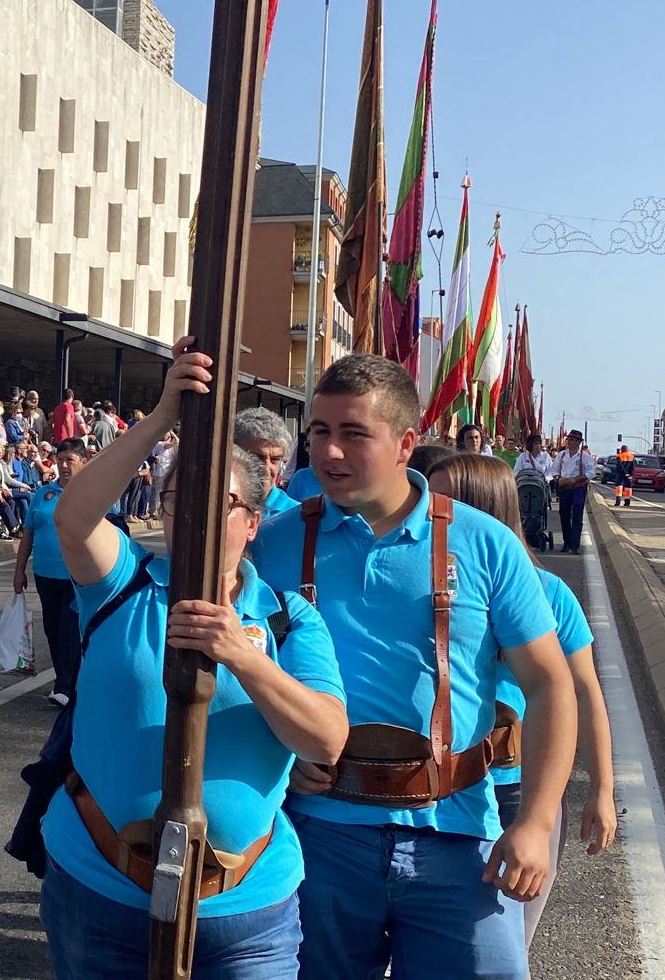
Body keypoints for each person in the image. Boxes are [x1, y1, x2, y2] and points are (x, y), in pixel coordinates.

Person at [254, 354, 574, 980]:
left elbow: (550, 683)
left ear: (405, 444)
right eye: (319, 432)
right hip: (316, 836)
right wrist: (282, 761)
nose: (331, 452)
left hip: (457, 832)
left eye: (353, 434)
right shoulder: (275, 542)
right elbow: (241, 676)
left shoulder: (483, 543)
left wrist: (535, 821)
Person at [38, 340, 345, 978]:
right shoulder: (120, 582)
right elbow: (73, 518)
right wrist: (160, 418)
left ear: (254, 522)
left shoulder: (288, 618)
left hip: (245, 911)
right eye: (179, 501)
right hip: (101, 887)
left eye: (221, 504)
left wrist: (242, 654)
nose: (195, 517)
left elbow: (325, 739)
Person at [427, 452, 617, 946]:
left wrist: (600, 790)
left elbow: (584, 693)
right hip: (435, 783)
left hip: (518, 788)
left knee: (504, 945)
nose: (423, 508)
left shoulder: (548, 593)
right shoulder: (417, 584)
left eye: (439, 498)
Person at [14, 439, 89, 707]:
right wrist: (19, 570)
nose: (64, 466)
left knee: (70, 631)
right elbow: (29, 533)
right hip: (45, 575)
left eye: (70, 460)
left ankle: (64, 687)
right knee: (53, 630)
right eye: (60, 460)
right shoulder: (43, 494)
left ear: (83, 461)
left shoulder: (93, 492)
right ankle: (67, 680)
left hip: (78, 576)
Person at [235, 407, 300, 518]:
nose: (266, 468)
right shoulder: (214, 504)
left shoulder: (297, 516)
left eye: (275, 459)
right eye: (257, 458)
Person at [552, 430, 594, 553]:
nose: (568, 442)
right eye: (568, 440)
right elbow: (554, 470)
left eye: (571, 440)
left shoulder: (585, 457)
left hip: (578, 489)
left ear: (578, 442)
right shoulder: (562, 455)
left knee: (577, 516)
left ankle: (575, 545)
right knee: (564, 515)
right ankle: (566, 543)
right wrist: (559, 479)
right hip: (564, 488)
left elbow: (591, 472)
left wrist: (576, 479)